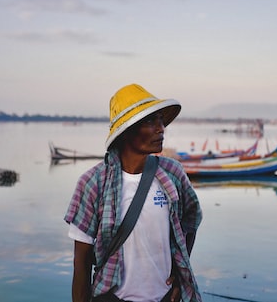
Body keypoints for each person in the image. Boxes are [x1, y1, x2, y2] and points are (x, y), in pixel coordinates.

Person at [64, 84, 203, 302]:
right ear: (126, 131)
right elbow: (80, 264)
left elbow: (191, 221)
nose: (161, 128)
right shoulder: (93, 184)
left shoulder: (172, 173)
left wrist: (179, 272)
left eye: (160, 120)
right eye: (150, 121)